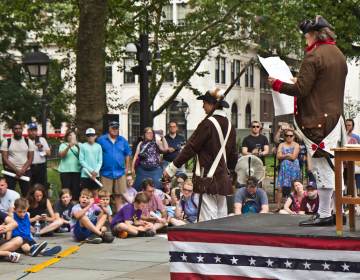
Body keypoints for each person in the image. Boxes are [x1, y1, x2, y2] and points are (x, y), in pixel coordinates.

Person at [268, 16, 347, 226]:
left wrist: (277, 84)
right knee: (332, 167)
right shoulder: (338, 54)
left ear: (314, 35)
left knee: (322, 168)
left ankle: (324, 213)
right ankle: (332, 210)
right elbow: (320, 86)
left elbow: (301, 90)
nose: (305, 41)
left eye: (306, 36)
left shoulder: (314, 56)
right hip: (335, 119)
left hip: (319, 121)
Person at [164, 88, 237, 221]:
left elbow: (190, 147)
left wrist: (171, 168)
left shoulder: (207, 124)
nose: (203, 106)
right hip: (222, 180)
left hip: (207, 180)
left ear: (211, 104)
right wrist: (230, 174)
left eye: (204, 102)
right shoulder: (230, 126)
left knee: (208, 223)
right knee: (221, 220)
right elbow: (233, 156)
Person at [97, 121, 132, 211]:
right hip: (105, 171)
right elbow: (96, 153)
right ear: (109, 128)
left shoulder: (123, 140)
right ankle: (105, 216)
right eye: (113, 127)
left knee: (119, 195)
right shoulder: (101, 140)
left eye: (116, 128)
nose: (115, 129)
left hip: (120, 172)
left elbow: (127, 154)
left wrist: (127, 169)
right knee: (104, 196)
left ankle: (118, 215)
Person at [1, 122, 35, 196]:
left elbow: (30, 158)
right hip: (10, 171)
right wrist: (16, 171)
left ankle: (26, 207)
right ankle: (10, 207)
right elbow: (5, 159)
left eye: (20, 128)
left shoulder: (28, 141)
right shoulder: (7, 141)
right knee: (9, 193)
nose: (18, 130)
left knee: (27, 193)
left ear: (22, 130)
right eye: (16, 129)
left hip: (25, 171)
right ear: (12, 130)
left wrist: (22, 170)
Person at [275, 129, 301, 211]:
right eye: (287, 135)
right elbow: (278, 156)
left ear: (294, 136)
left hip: (294, 168)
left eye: (291, 135)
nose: (289, 137)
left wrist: (284, 155)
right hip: (284, 168)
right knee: (280, 187)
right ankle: (278, 206)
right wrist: (288, 154)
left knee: (294, 187)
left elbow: (294, 157)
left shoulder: (296, 145)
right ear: (284, 136)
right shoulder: (281, 144)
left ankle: (292, 205)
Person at [79, 128, 103, 199]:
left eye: (92, 135)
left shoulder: (98, 146)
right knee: (84, 193)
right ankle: (85, 209)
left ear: (95, 136)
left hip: (95, 174)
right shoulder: (83, 146)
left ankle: (95, 209)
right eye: (88, 135)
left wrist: (95, 171)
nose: (90, 137)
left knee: (95, 193)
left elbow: (100, 161)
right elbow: (81, 160)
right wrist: (91, 171)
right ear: (86, 137)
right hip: (85, 174)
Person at [58, 130, 81, 201]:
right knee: (66, 190)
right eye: (69, 135)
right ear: (67, 137)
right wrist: (68, 147)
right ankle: (65, 204)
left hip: (76, 170)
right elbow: (61, 155)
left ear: (76, 136)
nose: (71, 137)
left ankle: (75, 206)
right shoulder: (63, 145)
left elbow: (82, 157)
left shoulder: (80, 145)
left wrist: (77, 146)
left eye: (73, 135)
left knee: (76, 189)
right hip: (65, 171)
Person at [27, 122, 51, 189]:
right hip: (29, 167)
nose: (33, 132)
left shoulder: (41, 139)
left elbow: (49, 153)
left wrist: (41, 147)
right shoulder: (25, 140)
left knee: (41, 186)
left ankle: (42, 199)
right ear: (28, 131)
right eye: (31, 130)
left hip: (41, 167)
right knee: (30, 186)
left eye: (35, 130)